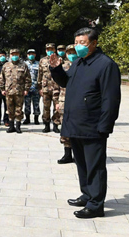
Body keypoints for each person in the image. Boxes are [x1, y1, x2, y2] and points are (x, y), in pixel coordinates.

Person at [50, 28, 122, 219]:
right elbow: (66, 82)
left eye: (82, 42)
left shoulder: (106, 65)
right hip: (75, 124)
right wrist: (56, 68)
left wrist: (105, 126)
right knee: (81, 163)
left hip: (93, 125)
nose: (78, 46)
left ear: (94, 43)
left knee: (95, 166)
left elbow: (111, 98)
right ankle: (87, 194)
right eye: (76, 42)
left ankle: (96, 205)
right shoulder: (78, 62)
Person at [0, 48, 29, 134]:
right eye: (12, 54)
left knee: (19, 109)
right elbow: (1, 78)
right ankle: (11, 126)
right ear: (10, 55)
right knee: (9, 109)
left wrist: (26, 89)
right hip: (9, 92)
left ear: (19, 55)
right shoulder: (6, 65)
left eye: (16, 54)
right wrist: (2, 89)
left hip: (19, 92)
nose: (14, 56)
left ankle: (18, 126)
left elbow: (27, 78)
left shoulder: (23, 65)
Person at [57, 45, 77, 165]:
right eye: (69, 52)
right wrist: (56, 102)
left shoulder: (83, 65)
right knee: (65, 128)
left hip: (78, 102)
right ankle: (67, 153)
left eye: (73, 52)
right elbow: (56, 85)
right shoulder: (63, 67)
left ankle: (78, 154)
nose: (71, 54)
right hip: (64, 101)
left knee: (78, 128)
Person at [37, 42, 62, 133]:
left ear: (55, 50)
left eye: (51, 49)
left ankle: (56, 125)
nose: (49, 51)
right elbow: (40, 74)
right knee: (46, 108)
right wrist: (39, 87)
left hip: (56, 88)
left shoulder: (59, 59)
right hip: (45, 88)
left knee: (57, 108)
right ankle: (46, 125)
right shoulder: (42, 61)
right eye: (48, 49)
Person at [23, 48, 40, 124]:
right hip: (27, 88)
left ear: (35, 55)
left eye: (33, 54)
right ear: (27, 55)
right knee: (27, 104)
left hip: (36, 88)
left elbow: (40, 76)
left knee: (36, 104)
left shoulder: (39, 64)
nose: (31, 55)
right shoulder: (24, 64)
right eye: (30, 54)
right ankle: (27, 118)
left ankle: (36, 118)